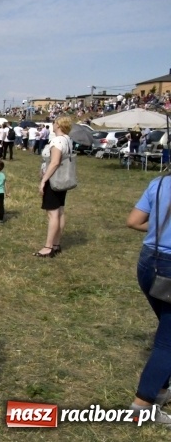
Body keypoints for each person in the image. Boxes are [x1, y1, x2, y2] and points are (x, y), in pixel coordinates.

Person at [126, 174, 171, 425]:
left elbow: (133, 221)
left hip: (148, 264)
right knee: (168, 342)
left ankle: (160, 389)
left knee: (166, 333)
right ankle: (141, 407)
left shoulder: (159, 183)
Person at [34, 116, 74, 257]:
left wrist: (44, 180)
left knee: (53, 214)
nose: (52, 124)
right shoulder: (67, 139)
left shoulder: (57, 141)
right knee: (60, 211)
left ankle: (48, 247)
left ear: (58, 125)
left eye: (54, 122)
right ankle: (56, 244)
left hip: (54, 180)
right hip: (62, 180)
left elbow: (55, 162)